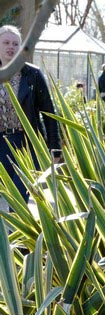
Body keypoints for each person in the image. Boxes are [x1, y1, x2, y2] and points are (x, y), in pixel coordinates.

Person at [0, 25, 61, 203]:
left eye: (15, 43)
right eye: (6, 42)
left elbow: (49, 113)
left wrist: (54, 147)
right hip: (1, 143)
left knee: (20, 196)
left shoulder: (32, 74)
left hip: (27, 144)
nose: (11, 46)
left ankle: (17, 231)